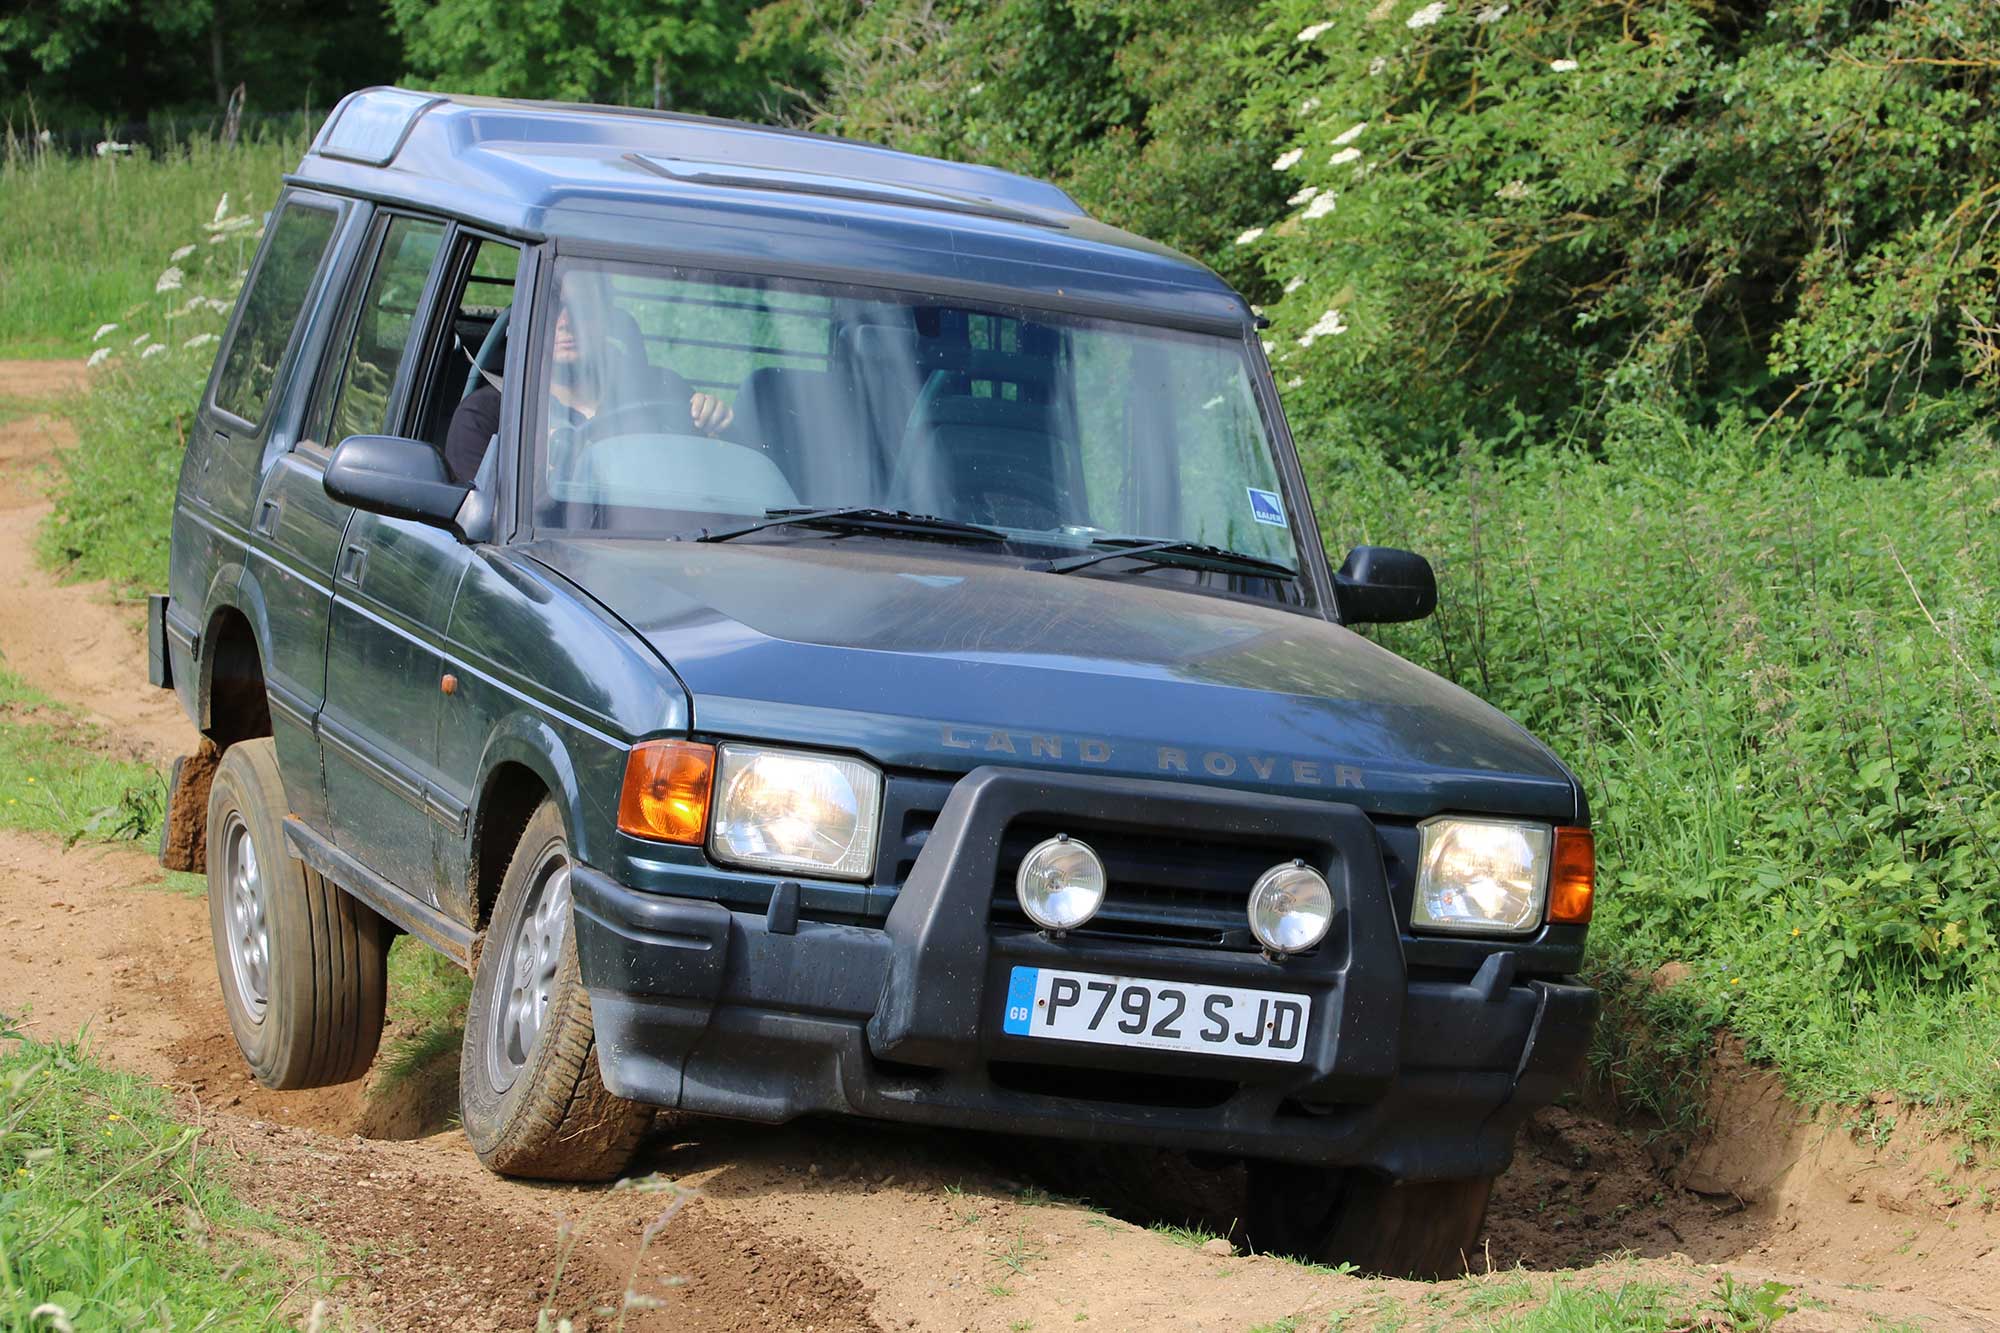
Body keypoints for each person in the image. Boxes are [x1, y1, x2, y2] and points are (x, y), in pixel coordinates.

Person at [443, 280, 733, 484]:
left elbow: (715, 493)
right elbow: (480, 537)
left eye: (582, 306)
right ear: (528, 316)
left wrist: (717, 429)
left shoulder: (664, 391)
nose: (567, 320)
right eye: (554, 305)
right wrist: (545, 477)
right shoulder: (487, 417)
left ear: (607, 315)